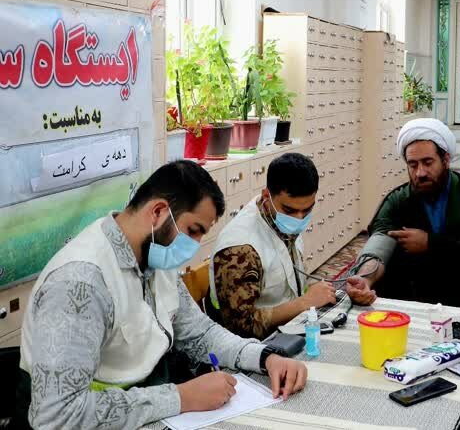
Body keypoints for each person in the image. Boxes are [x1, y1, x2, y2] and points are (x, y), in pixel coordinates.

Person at [17, 160, 307, 430]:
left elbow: (200, 334)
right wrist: (180, 397)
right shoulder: (80, 283)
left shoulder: (154, 256)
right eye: (192, 231)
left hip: (147, 404)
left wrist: (265, 357)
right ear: (157, 212)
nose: (194, 246)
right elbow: (58, 414)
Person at [345, 118, 460, 308]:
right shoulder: (398, 200)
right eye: (413, 165)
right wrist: (364, 278)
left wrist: (431, 244)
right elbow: (380, 243)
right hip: (412, 298)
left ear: (445, 160)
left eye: (428, 162)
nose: (420, 173)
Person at [208, 153, 335, 339]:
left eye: (307, 209)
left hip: (291, 327)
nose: (299, 218)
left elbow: (291, 282)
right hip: (257, 344)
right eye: (290, 210)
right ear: (266, 196)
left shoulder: (279, 219)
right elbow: (241, 326)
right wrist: (304, 303)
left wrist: (331, 292)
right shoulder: (239, 249)